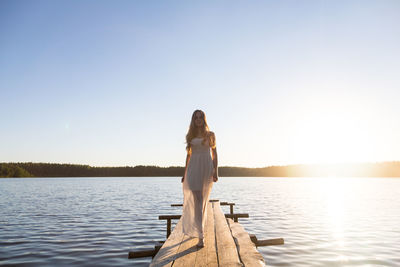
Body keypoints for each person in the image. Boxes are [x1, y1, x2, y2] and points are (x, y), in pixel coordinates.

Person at [181, 109, 218, 248]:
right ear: (193, 120)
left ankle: (199, 231)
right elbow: (188, 155)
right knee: (197, 201)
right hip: (193, 168)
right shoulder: (190, 136)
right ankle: (200, 235)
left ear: (204, 119)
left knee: (202, 201)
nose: (198, 120)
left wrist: (216, 171)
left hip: (206, 168)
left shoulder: (210, 135)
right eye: (195, 117)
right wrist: (184, 173)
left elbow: (214, 153)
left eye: (200, 117)